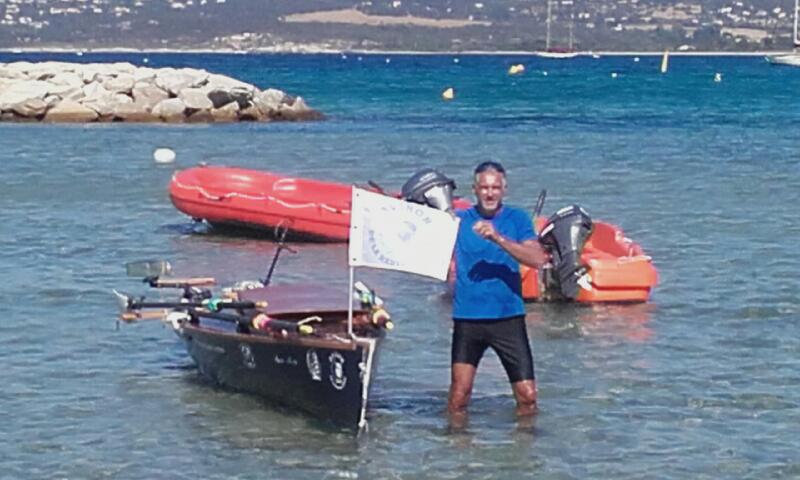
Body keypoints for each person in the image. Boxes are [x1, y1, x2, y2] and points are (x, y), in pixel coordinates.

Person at [449, 160, 547, 421]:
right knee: (459, 396)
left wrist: (498, 238)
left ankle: (525, 452)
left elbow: (537, 259)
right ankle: (457, 451)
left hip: (508, 319)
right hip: (468, 319)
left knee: (528, 397)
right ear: (475, 190)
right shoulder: (459, 220)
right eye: (484, 188)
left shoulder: (517, 219)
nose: (490, 193)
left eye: (495, 188)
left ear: (504, 189)